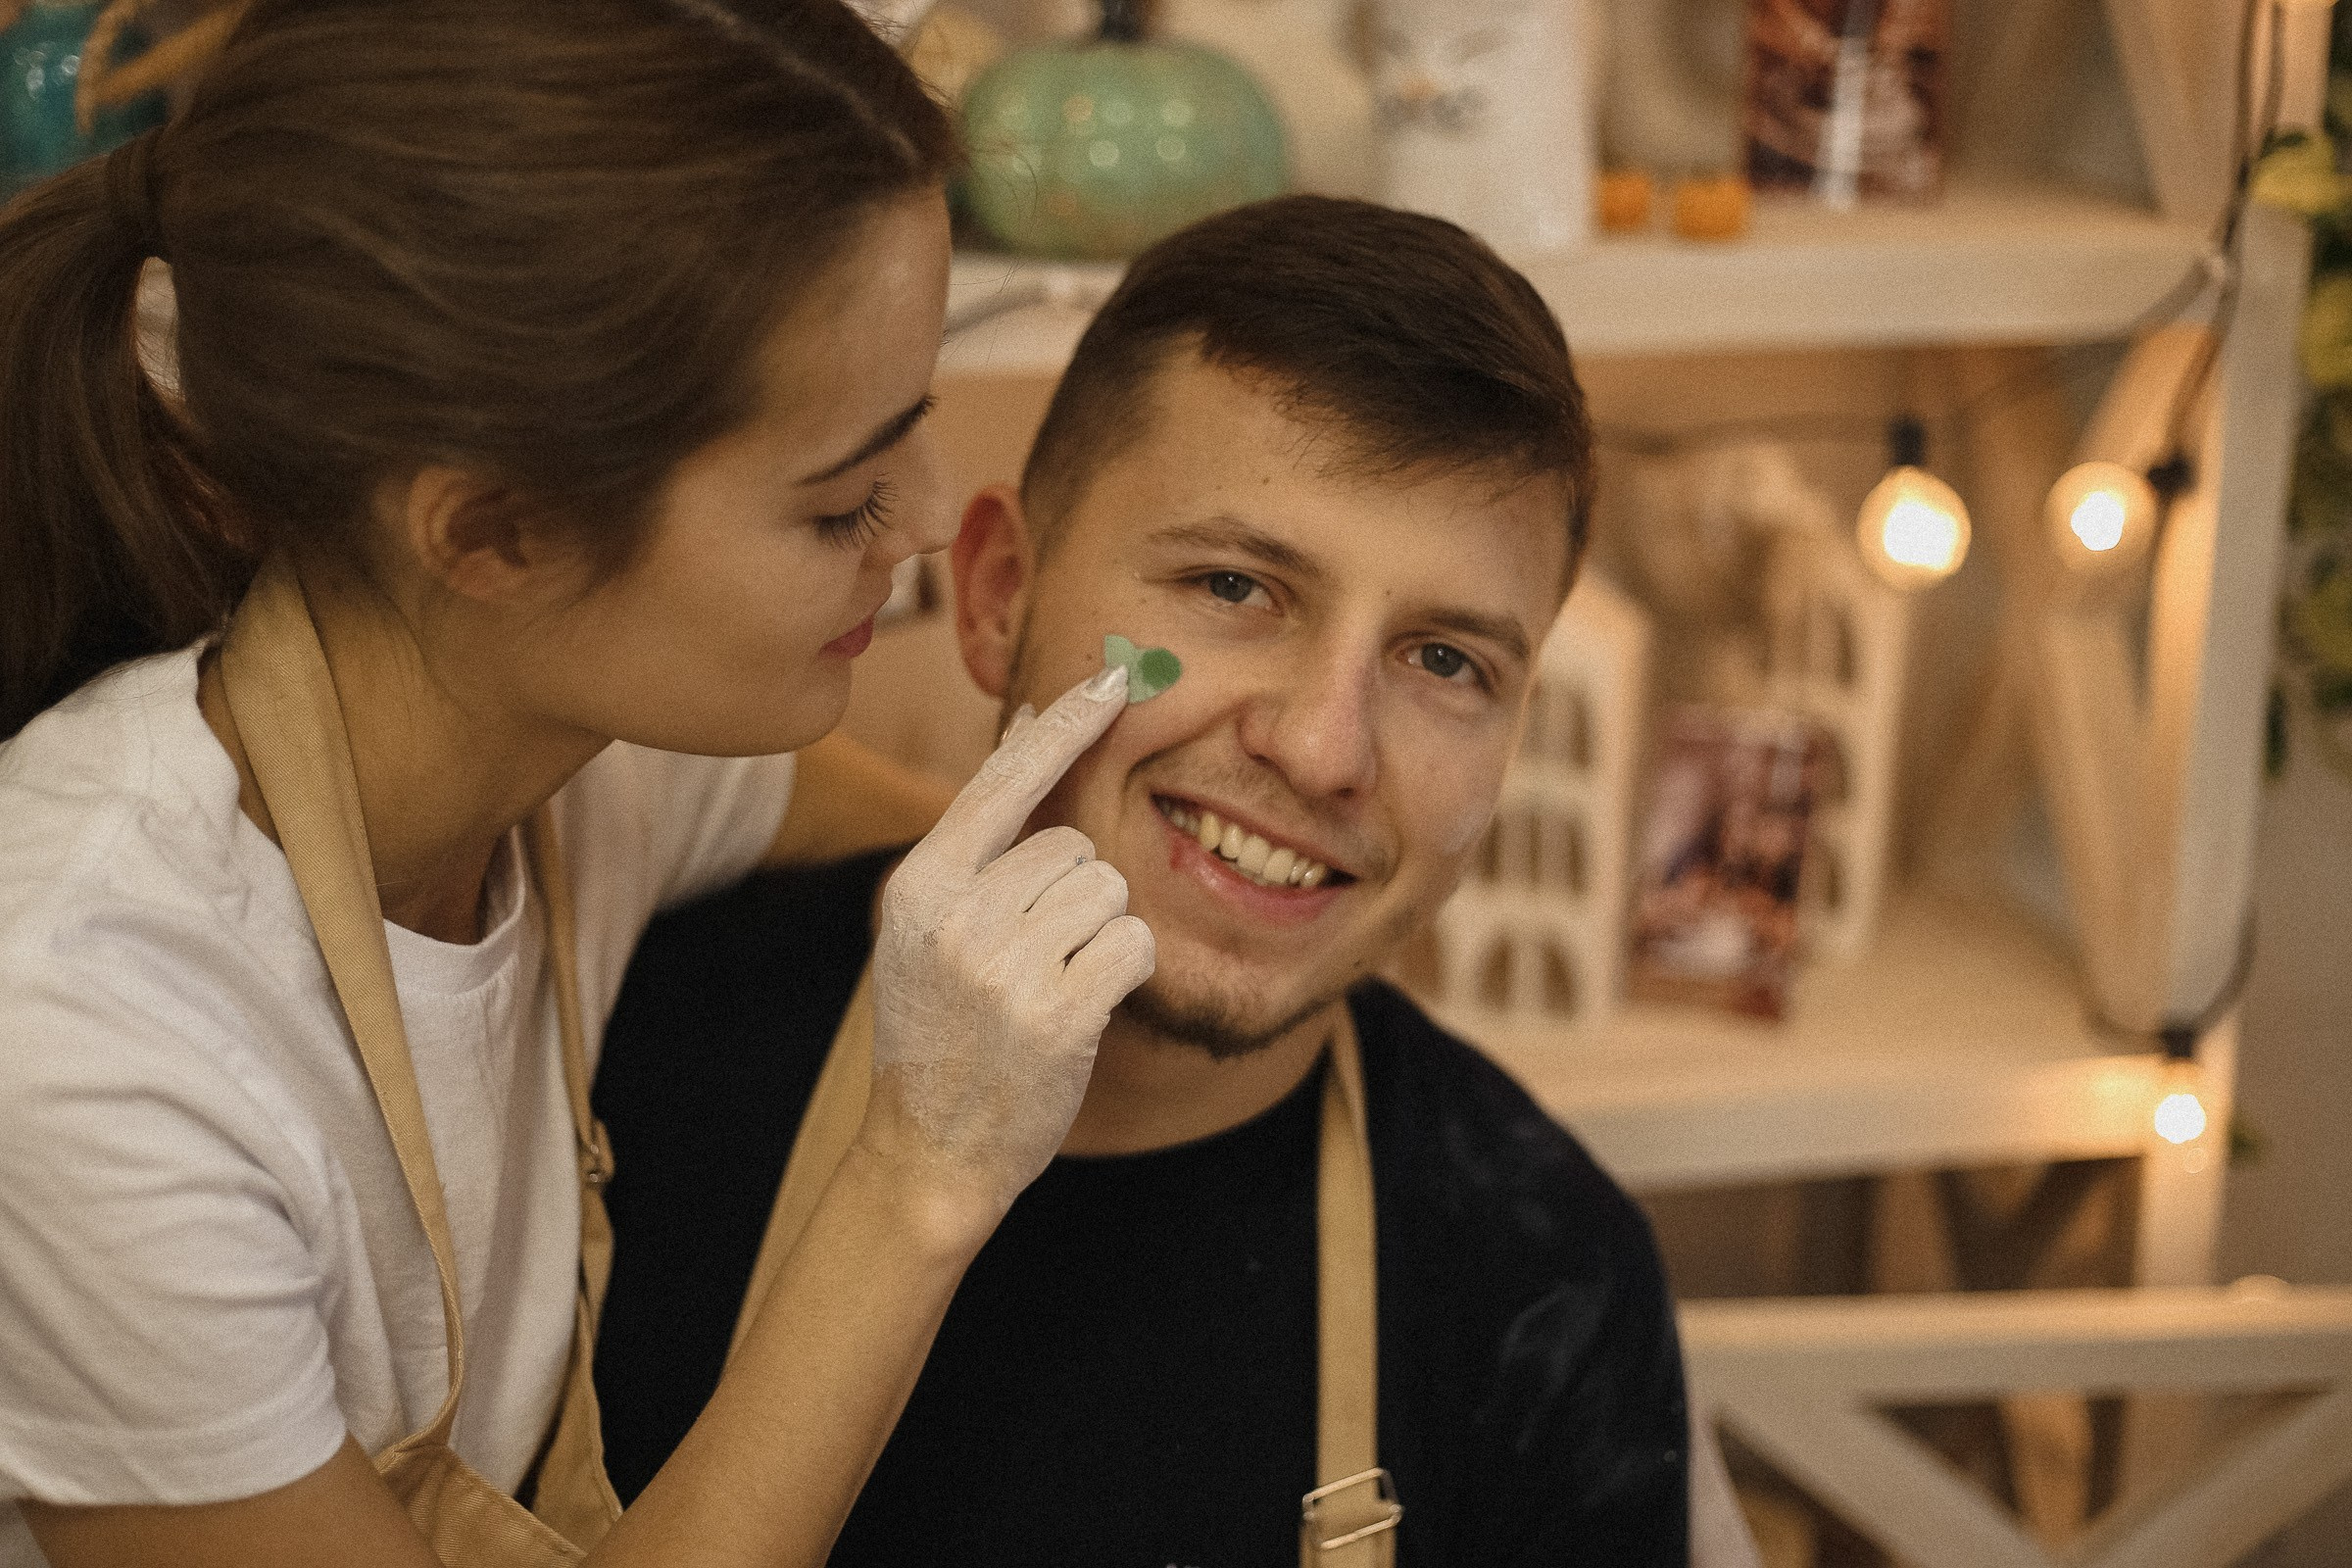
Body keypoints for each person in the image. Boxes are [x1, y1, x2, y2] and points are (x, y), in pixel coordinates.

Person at [0, 2, 1161, 1565]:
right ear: (489, 534)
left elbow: (859, 815)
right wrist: (924, 1173)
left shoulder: (573, 767)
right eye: (835, 506)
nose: (918, 534)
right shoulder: (83, 1038)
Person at [594, 196, 1691, 1564]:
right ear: (998, 595)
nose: (1324, 748)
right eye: (1235, 587)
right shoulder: (619, 1068)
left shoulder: (1544, 1288)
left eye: (1446, 661)